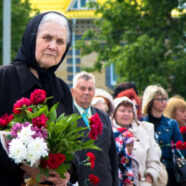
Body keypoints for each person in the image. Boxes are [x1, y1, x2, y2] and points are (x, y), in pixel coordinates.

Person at [0, 11, 73, 186]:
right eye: (47, 38)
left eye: (60, 41)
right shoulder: (4, 77)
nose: (53, 46)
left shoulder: (62, 89)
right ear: (31, 39)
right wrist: (27, 168)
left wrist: (66, 173)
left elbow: (73, 145)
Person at [70, 71, 118, 186]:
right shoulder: (66, 116)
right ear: (73, 91)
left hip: (104, 181)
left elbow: (112, 155)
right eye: (82, 88)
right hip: (78, 181)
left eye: (90, 89)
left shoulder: (104, 117)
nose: (86, 92)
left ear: (94, 92)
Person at [112, 96, 162, 186]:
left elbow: (154, 159)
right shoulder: (108, 132)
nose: (126, 114)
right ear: (114, 113)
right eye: (122, 111)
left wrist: (149, 178)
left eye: (130, 111)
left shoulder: (145, 131)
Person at [142, 85, 184, 186]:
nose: (164, 102)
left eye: (165, 99)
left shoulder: (172, 123)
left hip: (169, 171)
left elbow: (181, 148)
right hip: (148, 172)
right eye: (160, 99)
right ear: (151, 101)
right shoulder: (142, 124)